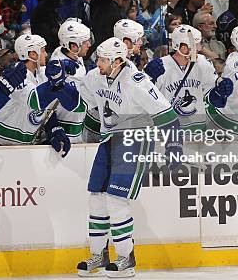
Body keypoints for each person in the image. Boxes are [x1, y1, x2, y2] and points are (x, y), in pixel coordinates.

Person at [76, 37, 181, 277]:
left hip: (136, 139)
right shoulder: (94, 78)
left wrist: (174, 147)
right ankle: (99, 254)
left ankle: (126, 258)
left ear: (117, 61)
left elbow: (166, 114)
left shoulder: (137, 82)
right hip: (110, 139)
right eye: (98, 59)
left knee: (115, 198)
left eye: (103, 60)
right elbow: (89, 107)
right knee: (97, 196)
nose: (98, 63)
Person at [145, 25, 232, 132]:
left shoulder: (203, 63)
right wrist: (149, 78)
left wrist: (221, 91)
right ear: (183, 48)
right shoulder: (159, 67)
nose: (200, 49)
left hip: (198, 131)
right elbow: (146, 100)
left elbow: (213, 100)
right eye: (197, 45)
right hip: (169, 132)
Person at [49, 19, 91, 143]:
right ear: (73, 46)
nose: (89, 44)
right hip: (66, 130)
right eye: (85, 42)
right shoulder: (58, 71)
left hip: (78, 126)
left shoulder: (72, 54)